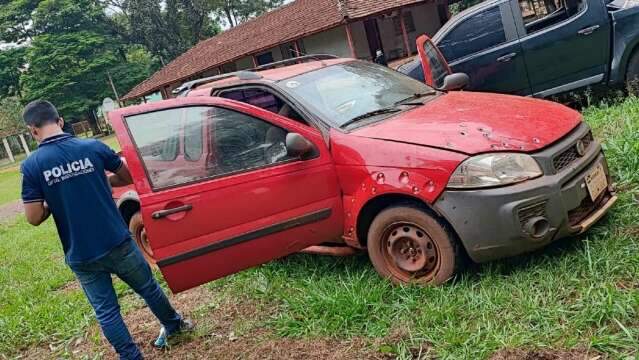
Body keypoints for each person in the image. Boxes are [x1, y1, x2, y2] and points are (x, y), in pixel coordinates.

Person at [20, 100, 193, 359]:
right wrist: (97, 179)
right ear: (61, 121)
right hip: (117, 241)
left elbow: (33, 217)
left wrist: (53, 199)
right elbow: (126, 177)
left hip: (81, 253)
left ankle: (130, 356)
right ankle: (174, 326)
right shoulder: (92, 147)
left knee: (107, 311)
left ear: (32, 130)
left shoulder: (32, 166)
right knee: (148, 288)